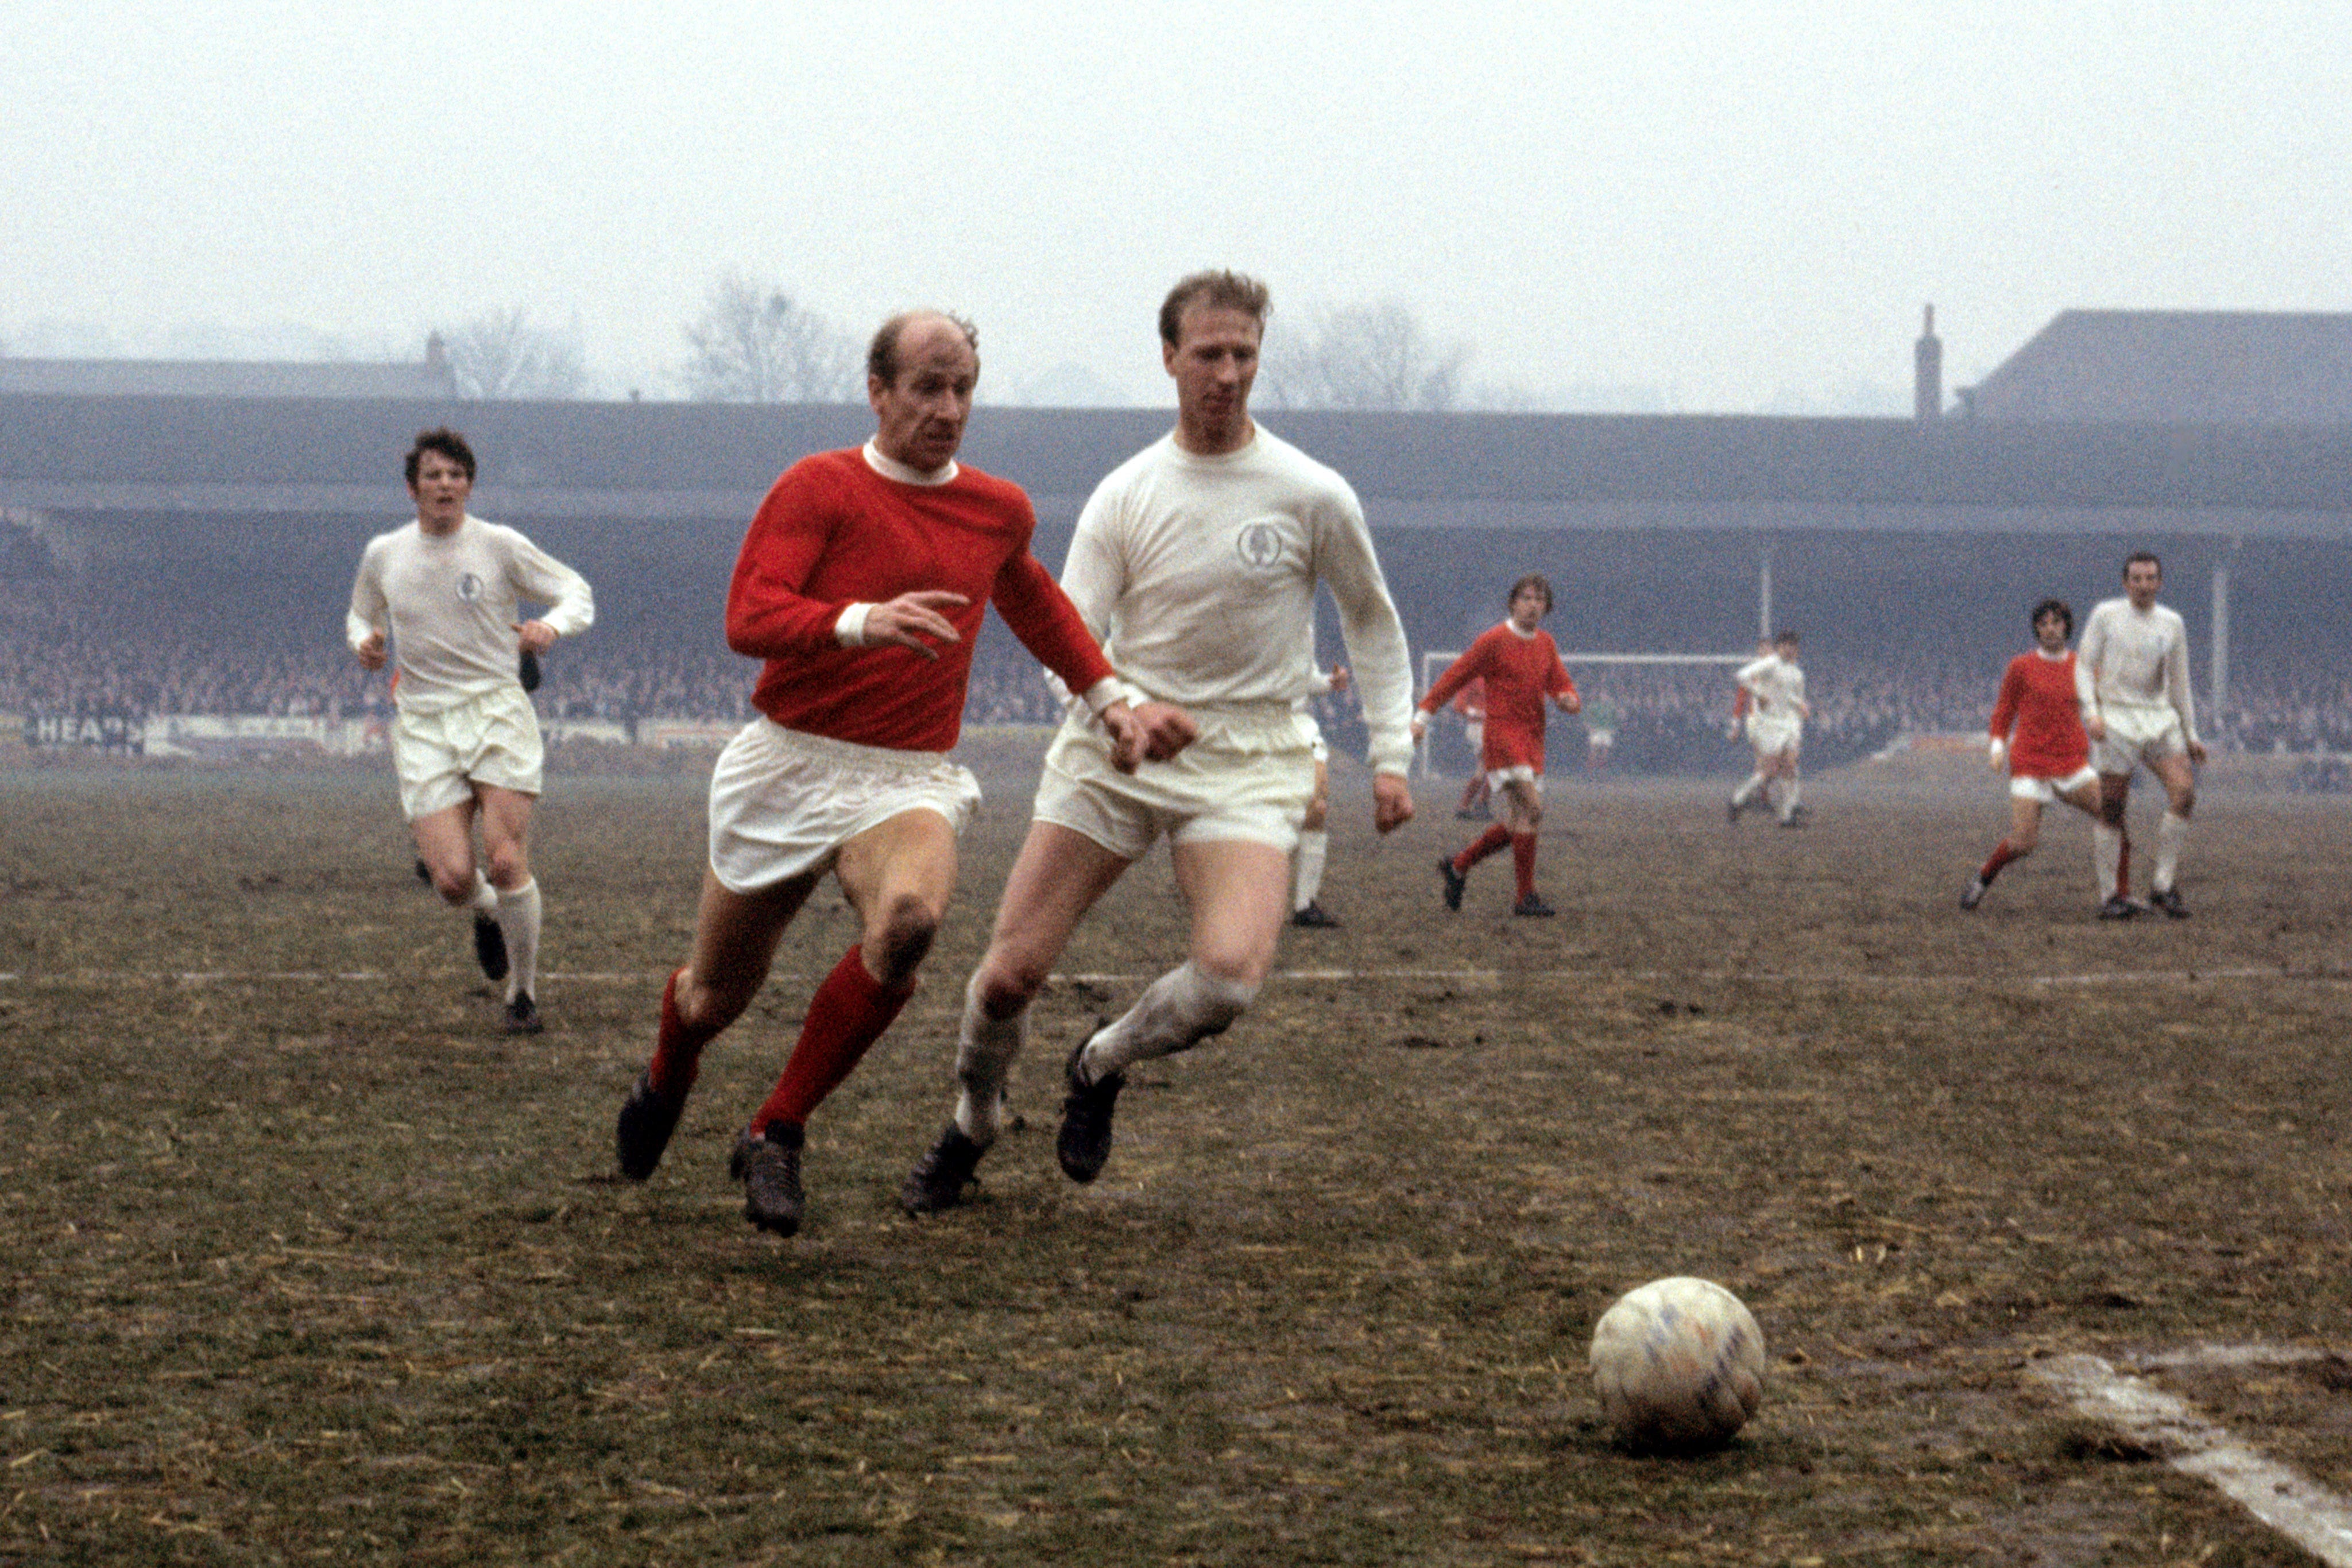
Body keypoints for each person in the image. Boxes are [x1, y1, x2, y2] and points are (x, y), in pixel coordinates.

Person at [610, 310, 1170, 1238]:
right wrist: (858, 620)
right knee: (715, 996)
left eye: (963, 389)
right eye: (927, 388)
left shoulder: (997, 509)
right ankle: (669, 1070)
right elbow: (749, 615)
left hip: (903, 778)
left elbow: (1037, 607)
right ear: (878, 392)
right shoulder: (818, 486)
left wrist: (1109, 698)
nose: (948, 408)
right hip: (787, 762)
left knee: (910, 921)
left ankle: (776, 1129)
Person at [898, 269, 1417, 1214]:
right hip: (1116, 749)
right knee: (1010, 973)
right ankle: (972, 1120)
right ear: (1169, 357)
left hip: (1248, 760)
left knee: (1226, 981)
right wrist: (1120, 709)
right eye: (1208, 354)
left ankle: (1099, 1061)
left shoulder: (1312, 492)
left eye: (1243, 355)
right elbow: (1067, 634)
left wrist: (1390, 756)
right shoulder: (1128, 493)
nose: (1226, 372)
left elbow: (1372, 625)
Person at [347, 427, 594, 1035]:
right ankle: (485, 911)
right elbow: (361, 612)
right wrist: (366, 642)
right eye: (433, 475)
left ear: (469, 485)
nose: (445, 485)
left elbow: (575, 590)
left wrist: (552, 626)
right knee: (455, 879)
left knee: (507, 859)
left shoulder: (499, 545)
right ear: (413, 488)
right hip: (426, 721)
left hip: (496, 712)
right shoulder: (385, 554)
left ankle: (523, 994)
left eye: (456, 475)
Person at [1415, 574, 1580, 917]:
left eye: (1539, 599)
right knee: (1533, 810)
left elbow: (1564, 687)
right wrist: (1423, 715)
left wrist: (1569, 700)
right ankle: (1524, 898)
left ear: (1547, 607)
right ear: (1513, 603)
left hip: (1533, 738)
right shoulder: (1493, 640)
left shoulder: (1546, 644)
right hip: (1503, 737)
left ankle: (1459, 866)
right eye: (1526, 598)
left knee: (1521, 818)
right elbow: (1455, 676)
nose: (1533, 605)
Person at [2077, 551, 2205, 918]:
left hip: (2158, 718)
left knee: (2184, 794)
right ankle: (2109, 897)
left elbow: (2181, 681)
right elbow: (2085, 667)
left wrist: (2191, 732)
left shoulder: (2172, 623)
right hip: (2116, 719)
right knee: (2113, 806)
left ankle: (2163, 887)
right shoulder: (2106, 615)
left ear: (2160, 583)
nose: (2144, 585)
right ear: (2125, 583)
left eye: (2151, 579)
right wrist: (2092, 712)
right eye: (2137, 579)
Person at [1961, 599, 2109, 912]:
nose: (2050, 629)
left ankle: (2115, 896)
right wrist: (1998, 746)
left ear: (2067, 626)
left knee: (2111, 815)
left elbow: (2100, 708)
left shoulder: (2083, 668)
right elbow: (2004, 710)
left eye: (2055, 623)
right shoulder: (2021, 667)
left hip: (2071, 762)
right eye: (2043, 624)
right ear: (2036, 631)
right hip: (2030, 762)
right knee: (2024, 842)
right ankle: (1984, 878)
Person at [1290, 661, 1350, 928]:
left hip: (1304, 728)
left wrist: (1329, 682)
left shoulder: (1303, 629)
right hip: (1263, 728)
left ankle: (1305, 905)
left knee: (1319, 804)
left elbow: (1308, 679)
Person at [1729, 631, 1809, 826]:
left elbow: (1790, 696)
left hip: (1788, 724)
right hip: (1768, 724)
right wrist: (1759, 694)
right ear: (1779, 647)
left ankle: (1787, 816)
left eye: (1792, 645)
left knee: (1790, 766)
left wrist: (1801, 705)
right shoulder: (1770, 663)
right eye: (1785, 645)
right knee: (1771, 771)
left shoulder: (1797, 673)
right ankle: (1738, 799)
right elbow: (1742, 676)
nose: (1789, 649)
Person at [1452, 678, 1492, 819]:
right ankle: (1473, 804)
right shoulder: (1474, 678)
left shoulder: (1498, 676)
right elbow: (1458, 705)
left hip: (1494, 727)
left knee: (1489, 769)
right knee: (1490, 767)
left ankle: (1475, 805)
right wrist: (1478, 713)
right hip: (1478, 728)